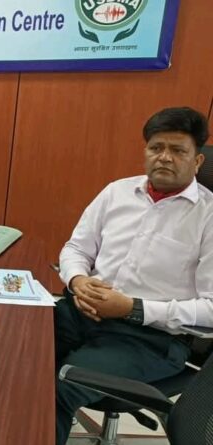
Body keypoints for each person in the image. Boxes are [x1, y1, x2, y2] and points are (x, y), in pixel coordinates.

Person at [55, 107, 213, 444]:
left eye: (178, 150)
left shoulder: (209, 216)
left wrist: (132, 308)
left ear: (198, 161)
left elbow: (211, 310)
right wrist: (78, 280)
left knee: (61, 387)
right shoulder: (116, 192)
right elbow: (75, 249)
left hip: (149, 339)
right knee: (14, 352)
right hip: (81, 312)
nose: (164, 157)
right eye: (156, 148)